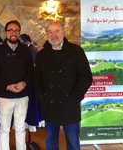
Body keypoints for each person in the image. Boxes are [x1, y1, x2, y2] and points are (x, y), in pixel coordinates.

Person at [34, 21, 93, 150]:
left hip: (69, 103)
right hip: (49, 103)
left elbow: (86, 77)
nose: (53, 35)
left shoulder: (76, 51)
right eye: (50, 32)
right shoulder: (42, 54)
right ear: (46, 34)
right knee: (50, 138)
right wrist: (41, 96)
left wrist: (75, 97)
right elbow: (36, 79)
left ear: (63, 32)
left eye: (57, 31)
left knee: (72, 139)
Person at [0, 20, 34, 150]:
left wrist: (24, 82)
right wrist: (7, 86)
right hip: (4, 97)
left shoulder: (25, 50)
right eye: (11, 30)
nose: (14, 33)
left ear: (19, 33)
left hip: (22, 97)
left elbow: (31, 71)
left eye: (16, 30)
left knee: (20, 128)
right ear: (5, 32)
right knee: (4, 129)